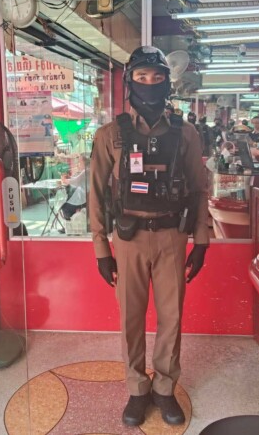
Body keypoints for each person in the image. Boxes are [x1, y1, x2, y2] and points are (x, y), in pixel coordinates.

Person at [89, 46, 209, 427]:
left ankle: (164, 388)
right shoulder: (111, 135)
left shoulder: (186, 133)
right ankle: (138, 388)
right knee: (131, 319)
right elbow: (95, 193)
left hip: (172, 236)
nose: (150, 84)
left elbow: (198, 188)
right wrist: (101, 248)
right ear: (130, 82)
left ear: (167, 84)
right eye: (142, 77)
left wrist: (201, 240)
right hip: (128, 239)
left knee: (171, 317)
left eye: (157, 78)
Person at [59, 154, 89, 222]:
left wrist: (65, 180)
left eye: (80, 162)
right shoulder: (87, 170)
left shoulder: (86, 171)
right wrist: (69, 178)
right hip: (82, 199)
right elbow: (76, 180)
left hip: (82, 202)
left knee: (63, 206)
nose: (78, 164)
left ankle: (71, 221)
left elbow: (75, 182)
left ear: (84, 162)